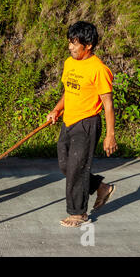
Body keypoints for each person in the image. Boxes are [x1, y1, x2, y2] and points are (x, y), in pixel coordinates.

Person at [46, 21, 118, 227]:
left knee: (77, 168)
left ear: (88, 45)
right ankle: (101, 187)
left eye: (75, 43)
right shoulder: (70, 63)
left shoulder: (98, 69)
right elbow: (69, 92)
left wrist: (110, 135)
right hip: (68, 121)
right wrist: (57, 110)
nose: (70, 47)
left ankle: (78, 214)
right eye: (70, 42)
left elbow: (108, 104)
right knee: (65, 165)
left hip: (87, 124)